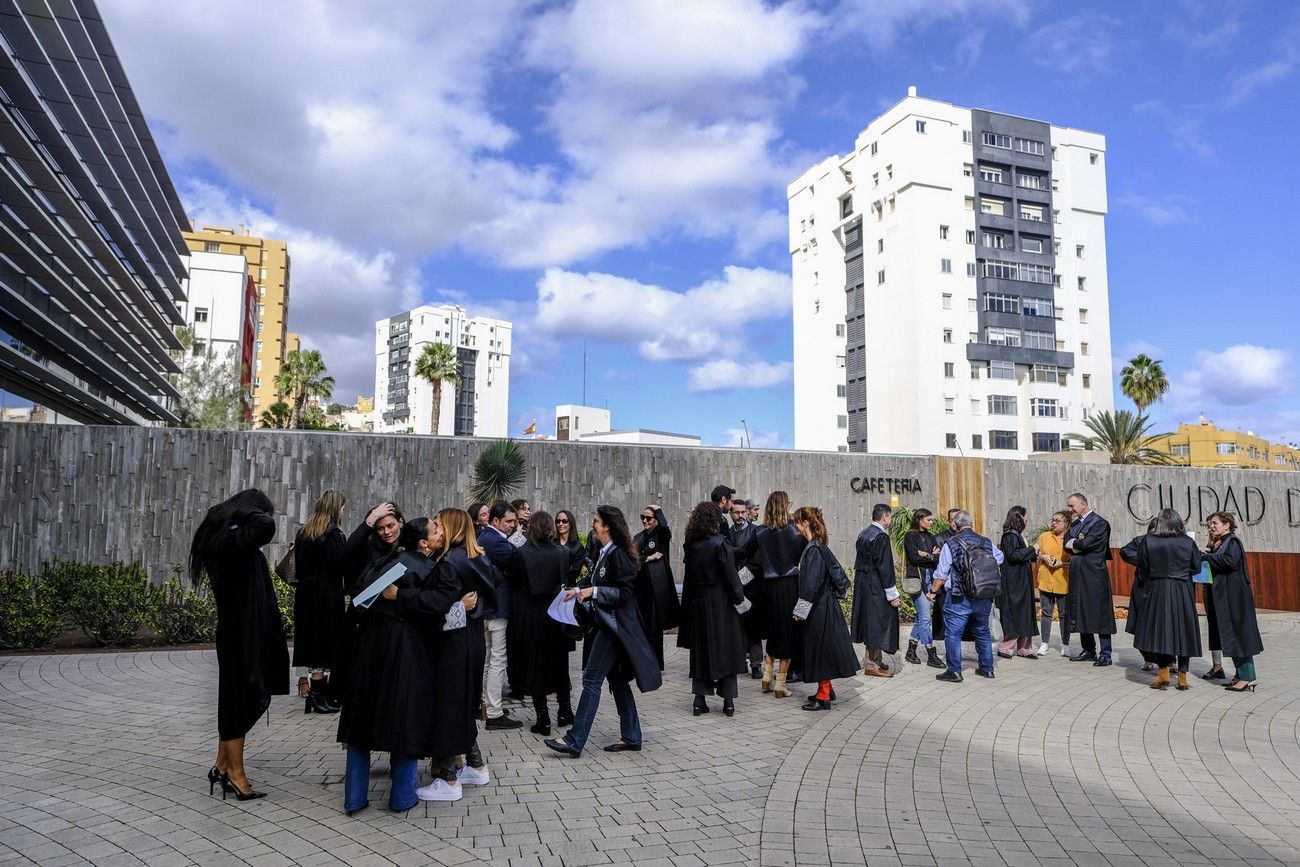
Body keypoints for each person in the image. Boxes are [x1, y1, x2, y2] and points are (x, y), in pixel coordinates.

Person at [337, 516, 458, 813]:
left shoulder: (383, 563)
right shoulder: (431, 569)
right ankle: (402, 797)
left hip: (369, 648)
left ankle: (354, 798)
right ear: (423, 542)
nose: (441, 533)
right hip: (408, 651)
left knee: (361, 722)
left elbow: (358, 603)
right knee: (404, 718)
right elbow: (437, 609)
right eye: (435, 530)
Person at [189, 489, 290, 802]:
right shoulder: (229, 542)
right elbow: (265, 526)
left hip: (241, 633)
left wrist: (232, 513)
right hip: (241, 635)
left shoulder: (227, 540)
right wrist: (239, 511)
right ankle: (236, 775)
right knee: (240, 700)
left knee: (237, 698)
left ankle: (222, 766)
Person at [544, 506, 661, 758]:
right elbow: (598, 583)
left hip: (613, 628)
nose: (593, 525)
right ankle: (632, 736)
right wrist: (578, 590)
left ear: (607, 526)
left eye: (596, 521)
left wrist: (592, 592)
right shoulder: (603, 552)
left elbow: (625, 592)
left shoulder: (619, 555)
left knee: (591, 680)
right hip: (606, 624)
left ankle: (575, 739)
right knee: (617, 681)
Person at [414, 509, 496, 802]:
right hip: (473, 639)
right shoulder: (476, 556)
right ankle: (476, 765)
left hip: (453, 642)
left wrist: (457, 607)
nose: (435, 528)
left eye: (438, 524)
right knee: (461, 703)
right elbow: (490, 596)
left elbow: (438, 609)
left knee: (447, 705)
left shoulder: (449, 562)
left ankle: (449, 778)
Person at [504, 511, 574, 735]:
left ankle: (542, 717)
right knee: (560, 665)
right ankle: (565, 711)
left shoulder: (520, 554)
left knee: (535, 667)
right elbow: (566, 582)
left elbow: (512, 582)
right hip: (555, 616)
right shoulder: (562, 552)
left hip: (529, 617)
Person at [678, 502, 747, 717]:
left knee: (701, 651)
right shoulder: (721, 543)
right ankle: (728, 702)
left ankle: (699, 701)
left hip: (698, 604)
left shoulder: (691, 545)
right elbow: (731, 577)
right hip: (721, 604)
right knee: (727, 649)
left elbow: (688, 580)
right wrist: (741, 600)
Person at [1123, 509, 1202, 691]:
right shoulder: (1188, 541)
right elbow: (1197, 567)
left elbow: (1142, 565)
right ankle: (1182, 678)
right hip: (1182, 589)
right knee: (1183, 632)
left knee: (1160, 631)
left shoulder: (1148, 540)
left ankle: (1163, 675)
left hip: (1157, 589)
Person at [790, 506, 860, 711]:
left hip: (818, 608)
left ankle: (823, 696)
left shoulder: (813, 549)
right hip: (824, 605)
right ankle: (825, 690)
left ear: (805, 524)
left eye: (797, 522)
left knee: (819, 651)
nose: (795, 526)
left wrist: (800, 611)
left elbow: (811, 583)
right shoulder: (818, 546)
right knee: (823, 650)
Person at [929, 510, 1004, 683]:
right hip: (984, 593)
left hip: (959, 595)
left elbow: (941, 573)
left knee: (953, 633)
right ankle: (987, 669)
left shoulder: (952, 543)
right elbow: (999, 558)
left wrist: (932, 591)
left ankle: (954, 671)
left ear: (955, 525)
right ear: (972, 523)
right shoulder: (986, 541)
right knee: (982, 631)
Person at [293, 490, 348, 714]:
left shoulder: (304, 532)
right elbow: (342, 565)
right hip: (326, 595)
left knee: (313, 642)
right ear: (336, 508)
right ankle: (318, 696)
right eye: (342, 507)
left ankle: (317, 696)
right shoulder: (333, 533)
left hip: (306, 595)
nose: (343, 511)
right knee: (326, 642)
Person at [752, 491, 806, 697]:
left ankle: (766, 676)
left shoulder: (760, 532)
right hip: (790, 585)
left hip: (768, 587)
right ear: (785, 506)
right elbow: (810, 550)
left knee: (774, 631)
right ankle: (780, 684)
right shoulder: (795, 531)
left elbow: (745, 555)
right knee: (788, 634)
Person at [1203, 512, 1264, 692]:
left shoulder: (1233, 542)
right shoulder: (1221, 543)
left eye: (1214, 523)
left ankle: (1247, 677)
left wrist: (1205, 556)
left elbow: (1228, 561)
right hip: (1226, 598)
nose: (1211, 527)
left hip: (1235, 599)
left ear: (1227, 524)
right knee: (1233, 635)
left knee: (1239, 635)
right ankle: (1241, 675)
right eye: (1209, 525)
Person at [476, 502, 521, 730]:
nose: (513, 525)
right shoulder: (495, 541)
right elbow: (519, 560)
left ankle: (485, 704)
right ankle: (493, 712)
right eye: (509, 521)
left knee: (488, 660)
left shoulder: (486, 537)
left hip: (488, 608)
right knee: (497, 660)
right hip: (497, 609)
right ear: (495, 521)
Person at [1064, 493, 1115, 666]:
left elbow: (1087, 544)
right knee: (1081, 609)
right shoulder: (1076, 523)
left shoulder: (1099, 523)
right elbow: (1066, 543)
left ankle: (1106, 653)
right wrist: (1074, 545)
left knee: (1099, 611)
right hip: (1078, 573)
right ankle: (1089, 649)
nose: (1070, 510)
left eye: (1072, 506)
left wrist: (1074, 544)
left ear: (1083, 504)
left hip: (1094, 574)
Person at [851, 504, 899, 677]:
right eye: (890, 517)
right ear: (885, 517)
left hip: (863, 585)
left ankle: (876, 660)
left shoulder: (864, 533)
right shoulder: (881, 537)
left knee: (871, 621)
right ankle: (871, 665)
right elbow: (885, 567)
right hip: (876, 587)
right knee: (877, 623)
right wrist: (893, 594)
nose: (891, 521)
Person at [633, 505, 680, 671]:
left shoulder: (661, 535)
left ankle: (657, 663)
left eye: (649, 518)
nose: (645, 521)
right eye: (642, 517)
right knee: (642, 625)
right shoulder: (638, 537)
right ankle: (642, 661)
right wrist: (649, 557)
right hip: (641, 588)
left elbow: (666, 528)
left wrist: (659, 510)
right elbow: (633, 559)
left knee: (655, 626)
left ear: (656, 520)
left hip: (657, 589)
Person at [996, 506, 1039, 660]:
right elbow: (1014, 555)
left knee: (1025, 612)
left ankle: (1024, 648)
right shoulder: (1009, 536)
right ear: (1019, 517)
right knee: (1015, 612)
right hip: (1014, 582)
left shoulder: (1017, 535)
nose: (1027, 519)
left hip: (1022, 580)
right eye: (1026, 516)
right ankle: (1005, 647)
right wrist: (1033, 549)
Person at [902, 509, 943, 668]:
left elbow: (937, 559)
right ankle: (931, 653)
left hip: (930, 580)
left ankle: (911, 651)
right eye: (929, 520)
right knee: (925, 618)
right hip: (917, 581)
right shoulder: (910, 536)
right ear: (920, 520)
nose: (931, 522)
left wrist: (926, 555)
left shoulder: (930, 536)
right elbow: (913, 557)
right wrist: (929, 555)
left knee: (921, 617)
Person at [729, 500, 763, 678]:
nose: (740, 515)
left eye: (743, 512)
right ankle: (739, 661)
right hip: (733, 587)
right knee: (736, 626)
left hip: (752, 586)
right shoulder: (726, 534)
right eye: (736, 512)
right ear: (731, 513)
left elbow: (758, 560)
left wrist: (741, 579)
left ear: (747, 513)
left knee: (753, 625)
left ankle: (756, 664)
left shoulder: (755, 532)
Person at [1035, 511, 1071, 657]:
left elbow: (1075, 561)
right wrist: (1043, 556)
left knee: (1064, 614)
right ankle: (1044, 643)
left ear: (1066, 523)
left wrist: (1061, 563)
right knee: (1046, 613)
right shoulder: (1044, 536)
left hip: (1063, 581)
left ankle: (1066, 644)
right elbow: (1036, 551)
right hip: (1045, 580)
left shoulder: (1069, 539)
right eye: (1053, 520)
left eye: (1058, 521)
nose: (1054, 523)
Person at [556, 508, 589, 586]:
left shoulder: (578, 547)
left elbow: (574, 574)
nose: (560, 524)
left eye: (564, 521)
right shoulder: (551, 542)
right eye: (558, 521)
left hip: (568, 589)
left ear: (570, 523)